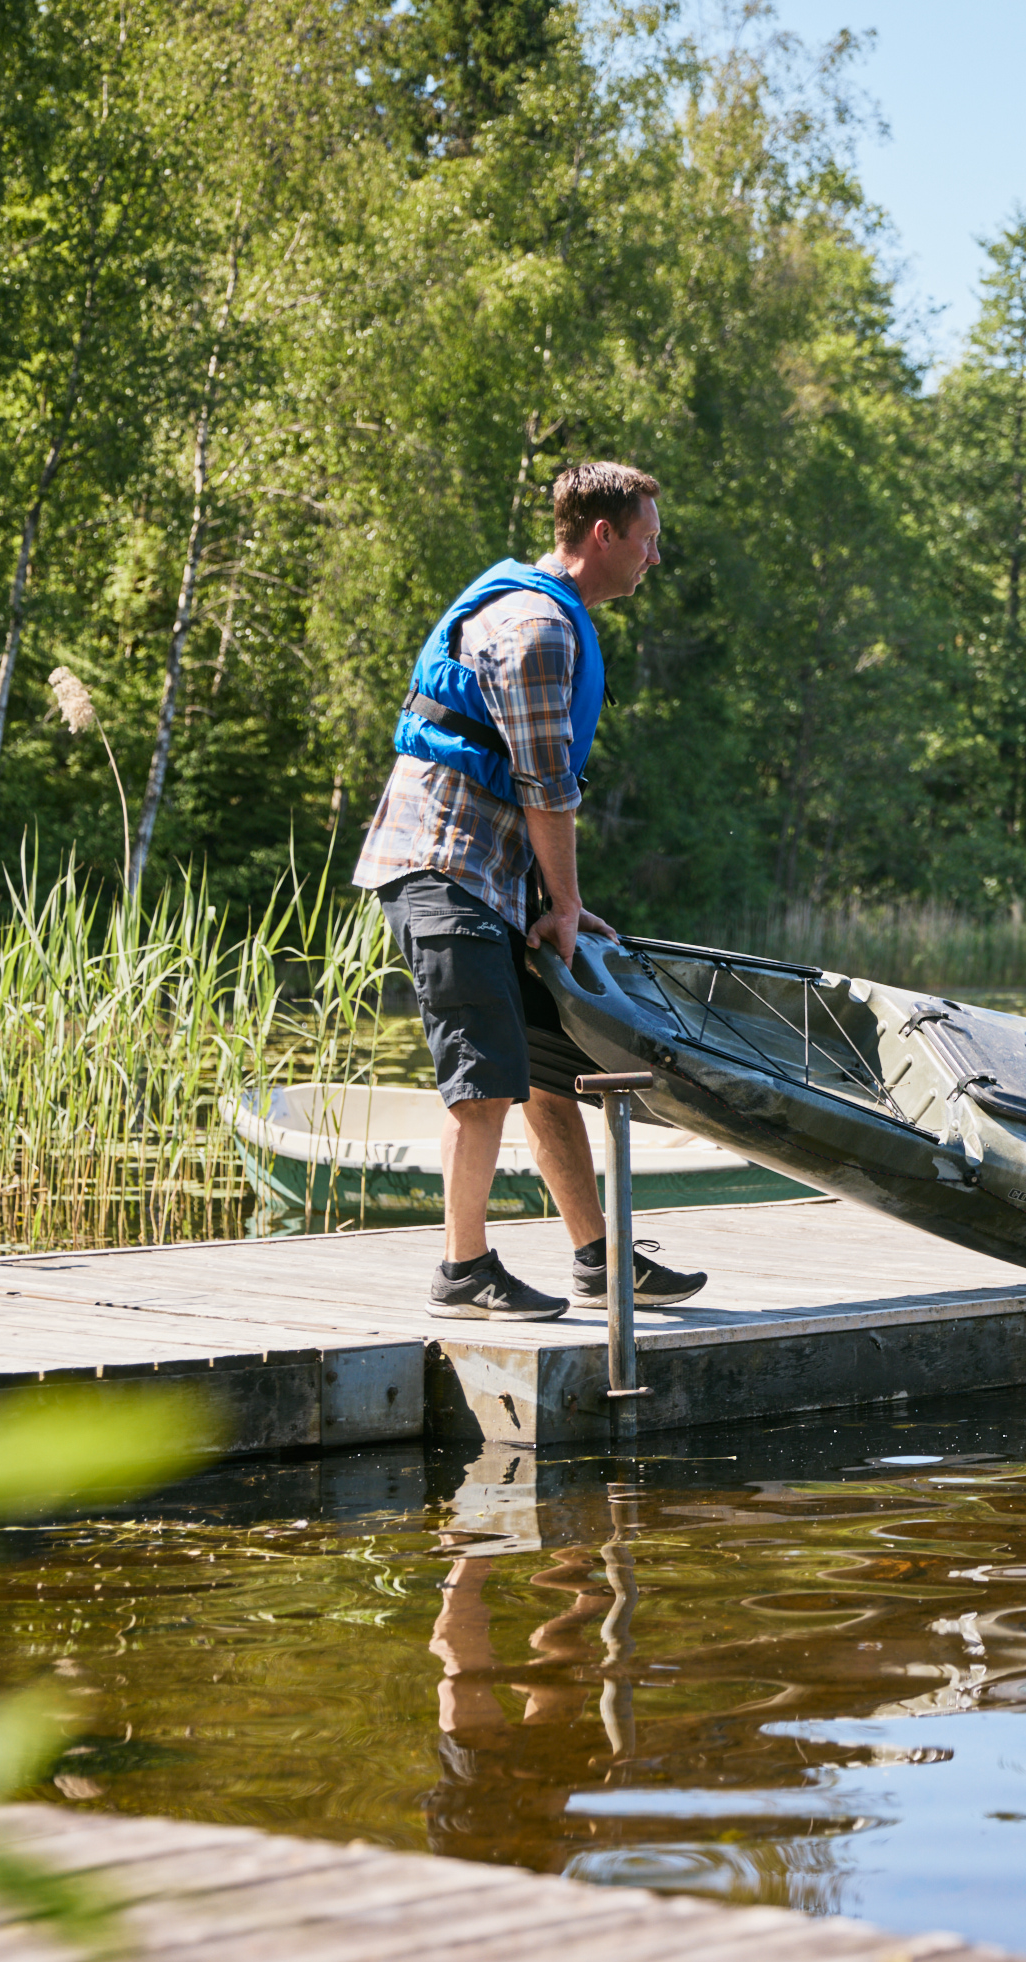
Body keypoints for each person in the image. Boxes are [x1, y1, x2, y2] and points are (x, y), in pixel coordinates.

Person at [352, 461, 706, 1320]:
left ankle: (601, 1260)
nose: (656, 558)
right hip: (441, 869)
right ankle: (462, 1271)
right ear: (603, 535)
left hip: (490, 879)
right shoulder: (535, 628)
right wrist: (569, 906)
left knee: (548, 1068)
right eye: (649, 540)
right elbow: (548, 788)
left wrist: (556, 908)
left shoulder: (557, 617)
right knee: (484, 1080)